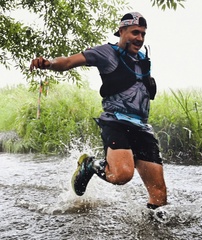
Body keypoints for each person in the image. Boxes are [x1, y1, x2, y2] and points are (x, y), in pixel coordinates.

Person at [30, 12, 167, 211]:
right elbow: (68, 62)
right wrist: (49, 63)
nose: (139, 38)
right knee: (121, 175)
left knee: (159, 194)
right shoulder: (106, 53)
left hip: (141, 127)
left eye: (143, 34)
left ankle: (154, 228)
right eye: (135, 32)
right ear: (121, 31)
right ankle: (90, 165)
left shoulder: (143, 59)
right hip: (116, 122)